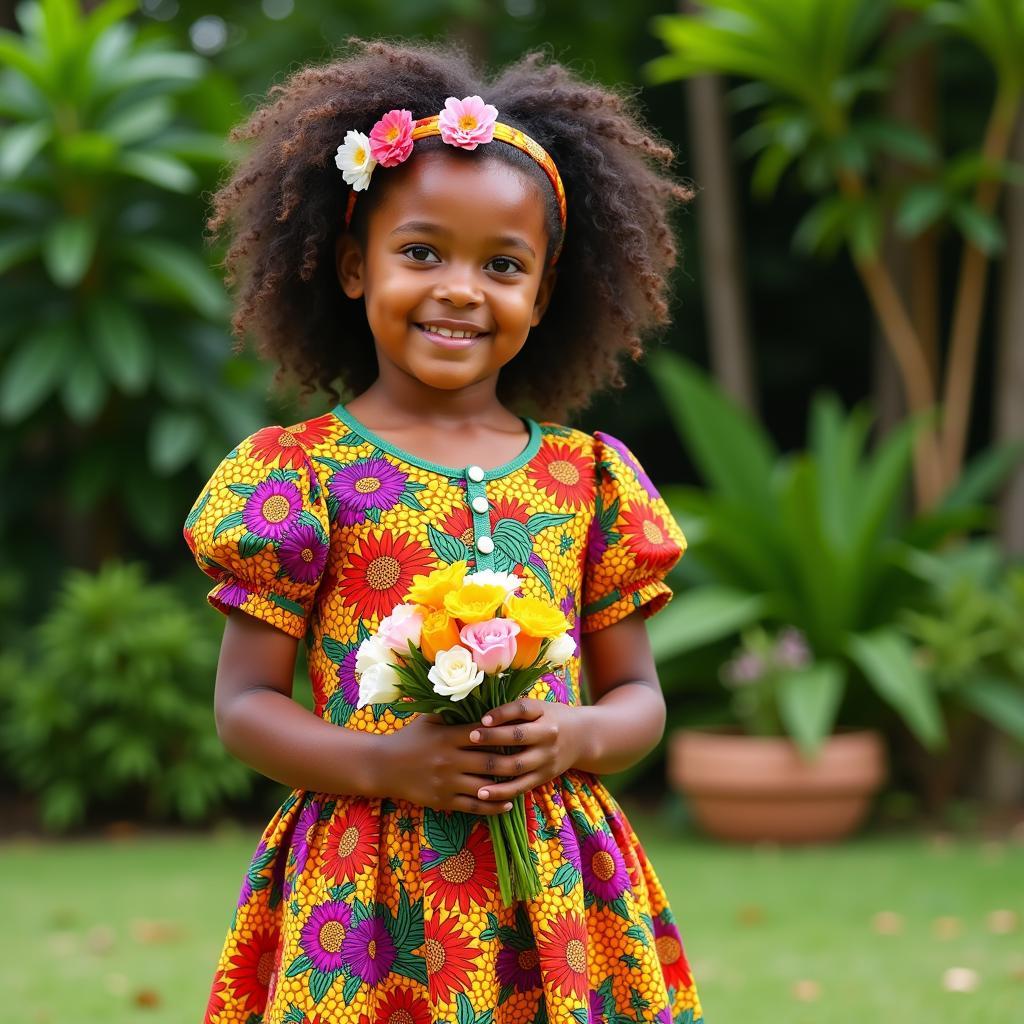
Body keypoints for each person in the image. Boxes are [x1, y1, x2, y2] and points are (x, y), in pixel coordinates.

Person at [184, 36, 704, 1024]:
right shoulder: (300, 475)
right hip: (363, 891)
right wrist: (384, 761)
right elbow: (245, 706)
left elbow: (638, 696)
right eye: (420, 251)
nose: (460, 287)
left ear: (542, 295)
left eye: (501, 264)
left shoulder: (585, 480)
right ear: (351, 265)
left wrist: (576, 732)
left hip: (552, 886)